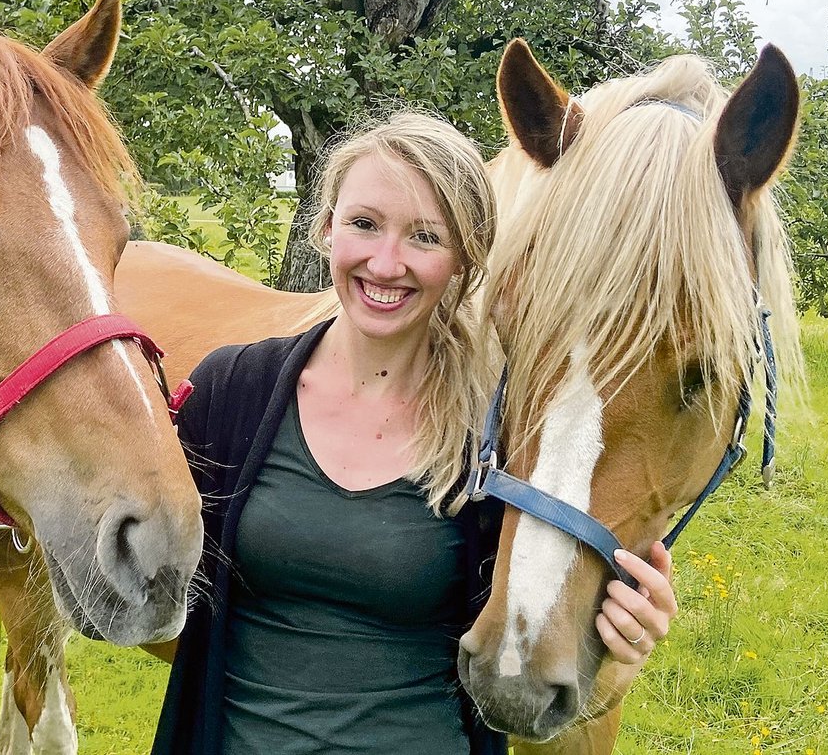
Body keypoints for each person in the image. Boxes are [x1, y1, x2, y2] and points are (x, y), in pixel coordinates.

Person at [150, 112, 678, 755]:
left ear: (465, 260)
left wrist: (620, 646)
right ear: (326, 228)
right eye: (364, 224)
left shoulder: (504, 437)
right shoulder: (232, 392)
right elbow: (148, 601)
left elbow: (537, 652)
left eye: (425, 237)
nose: (386, 262)